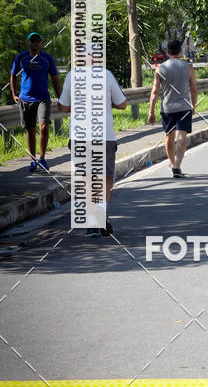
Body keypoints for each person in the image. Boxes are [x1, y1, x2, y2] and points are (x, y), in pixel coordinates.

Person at [58, 50, 127, 237]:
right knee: (106, 178)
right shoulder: (106, 75)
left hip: (79, 136)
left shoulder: (72, 76)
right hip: (104, 136)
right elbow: (122, 104)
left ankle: (91, 221)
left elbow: (63, 106)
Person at [10, 32, 61, 172]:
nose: (35, 42)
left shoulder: (47, 58)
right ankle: (33, 160)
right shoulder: (21, 57)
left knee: (44, 127)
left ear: (41, 42)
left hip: (43, 98)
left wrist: (60, 97)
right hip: (26, 98)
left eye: (38, 40)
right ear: (29, 42)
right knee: (30, 130)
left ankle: (42, 158)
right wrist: (14, 94)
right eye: (33, 40)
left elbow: (55, 78)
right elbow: (13, 75)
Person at [148, 39, 197, 178]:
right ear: (180, 51)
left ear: (167, 52)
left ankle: (172, 163)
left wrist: (151, 111)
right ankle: (177, 166)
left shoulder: (160, 68)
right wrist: (193, 105)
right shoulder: (188, 67)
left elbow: (155, 91)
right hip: (184, 107)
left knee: (169, 138)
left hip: (167, 108)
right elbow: (194, 88)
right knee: (181, 138)